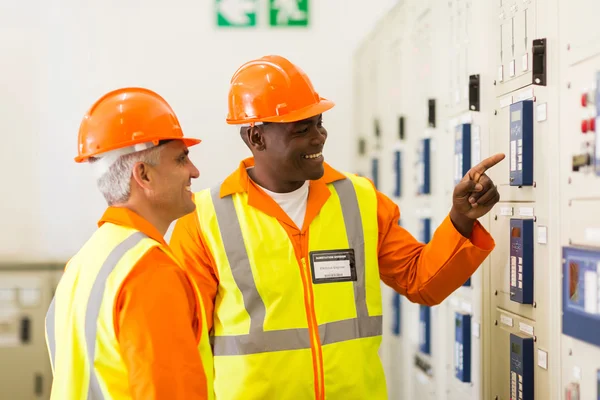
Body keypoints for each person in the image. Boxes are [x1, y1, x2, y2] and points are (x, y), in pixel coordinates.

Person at [170, 55, 504, 400]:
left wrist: (461, 218)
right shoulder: (204, 219)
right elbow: (184, 342)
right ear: (257, 137)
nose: (319, 138)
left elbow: (422, 282)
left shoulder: (359, 199)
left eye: (319, 123)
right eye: (302, 128)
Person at [45, 87, 214, 400]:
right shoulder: (149, 271)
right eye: (181, 159)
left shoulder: (83, 263)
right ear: (144, 175)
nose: (194, 171)